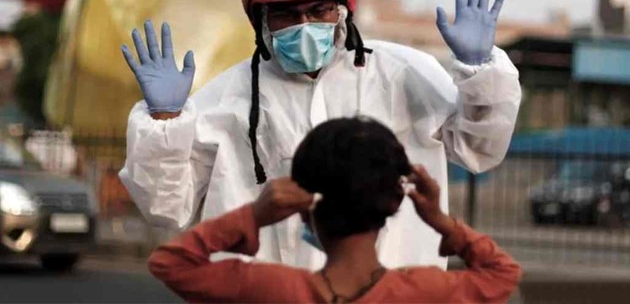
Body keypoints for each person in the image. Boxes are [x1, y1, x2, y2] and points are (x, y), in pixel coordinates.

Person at [119, 0, 522, 269]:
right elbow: (166, 208)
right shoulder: (226, 98)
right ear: (260, 21)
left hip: (389, 290)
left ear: (343, 10)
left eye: (318, 10)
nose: (304, 25)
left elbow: (479, 149)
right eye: (286, 15)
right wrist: (164, 123)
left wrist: (480, 73)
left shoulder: (404, 74)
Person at [148, 117, 522, 303]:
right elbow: (502, 273)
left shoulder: (270, 289)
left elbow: (170, 263)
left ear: (301, 209)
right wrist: (441, 221)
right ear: (394, 202)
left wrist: (254, 215)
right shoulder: (424, 291)